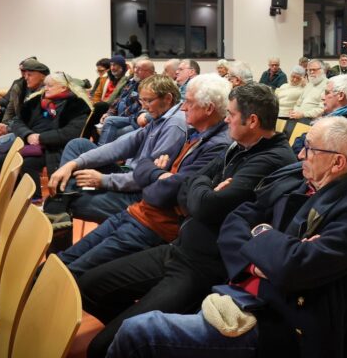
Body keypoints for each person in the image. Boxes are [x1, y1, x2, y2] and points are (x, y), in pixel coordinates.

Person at [67, 117, 347, 358]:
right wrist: (266, 253)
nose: (301, 153)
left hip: (278, 331)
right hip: (234, 296)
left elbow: (292, 268)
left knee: (137, 332)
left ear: (337, 162)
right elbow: (235, 220)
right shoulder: (296, 178)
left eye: (310, 149)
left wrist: (261, 236)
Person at [76, 84, 297, 358]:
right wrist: (203, 188)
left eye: (231, 114)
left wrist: (198, 189)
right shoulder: (238, 145)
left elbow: (204, 205)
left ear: (252, 120)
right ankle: (142, 340)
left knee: (101, 350)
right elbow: (185, 189)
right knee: (88, 287)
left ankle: (144, 348)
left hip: (203, 267)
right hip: (179, 248)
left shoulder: (272, 159)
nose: (226, 119)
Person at [53, 74, 232, 278]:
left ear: (208, 109)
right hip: (140, 209)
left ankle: (59, 204)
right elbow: (132, 155)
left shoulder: (192, 133)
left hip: (150, 217)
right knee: (77, 148)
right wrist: (75, 164)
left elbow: (163, 190)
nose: (183, 107)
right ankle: (58, 207)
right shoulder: (195, 132)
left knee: (72, 262)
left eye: (189, 102)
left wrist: (112, 179)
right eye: (141, 100)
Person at [44, 74, 188, 223]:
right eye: (142, 101)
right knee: (78, 145)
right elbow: (119, 147)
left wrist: (104, 180)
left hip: (140, 192)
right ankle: (63, 199)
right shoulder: (161, 117)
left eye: (149, 101)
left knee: (70, 204)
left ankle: (62, 202)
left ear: (168, 98)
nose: (144, 107)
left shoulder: (174, 125)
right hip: (131, 175)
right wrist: (73, 164)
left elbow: (147, 178)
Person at [8, 72, 93, 196]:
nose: (45, 88)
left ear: (63, 87)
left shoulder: (77, 105)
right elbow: (16, 121)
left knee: (27, 163)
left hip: (55, 147)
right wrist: (28, 135)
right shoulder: (36, 101)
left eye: (50, 86)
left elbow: (71, 133)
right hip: (31, 142)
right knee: (2, 161)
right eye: (45, 85)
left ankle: (33, 200)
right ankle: (12, 198)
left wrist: (41, 138)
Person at [0, 59, 50, 171]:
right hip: (21, 127)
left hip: (31, 132)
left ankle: (13, 167)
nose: (25, 77)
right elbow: (12, 107)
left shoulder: (43, 95)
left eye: (29, 74)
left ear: (42, 76)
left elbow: (34, 122)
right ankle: (5, 164)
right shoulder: (25, 87)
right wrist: (5, 124)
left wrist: (8, 128)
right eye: (24, 73)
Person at [293, 75, 347, 153]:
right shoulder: (330, 115)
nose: (322, 97)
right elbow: (304, 139)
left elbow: (327, 152)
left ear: (341, 96)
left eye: (327, 93)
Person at [99, 58, 156, 144]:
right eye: (135, 68)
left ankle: (101, 149)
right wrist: (109, 113)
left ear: (149, 72)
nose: (135, 71)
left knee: (110, 124)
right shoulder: (133, 82)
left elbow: (139, 107)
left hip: (135, 120)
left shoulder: (151, 85)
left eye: (139, 69)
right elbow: (119, 99)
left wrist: (116, 117)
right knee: (104, 123)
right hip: (123, 118)